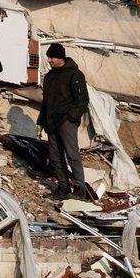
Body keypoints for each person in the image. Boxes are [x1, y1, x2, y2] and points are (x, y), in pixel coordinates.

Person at [37, 43, 90, 199]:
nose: (49, 60)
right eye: (48, 57)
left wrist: (71, 117)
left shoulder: (75, 75)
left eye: (51, 57)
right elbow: (45, 102)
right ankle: (63, 187)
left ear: (60, 58)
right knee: (55, 156)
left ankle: (79, 189)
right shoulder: (49, 76)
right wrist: (41, 121)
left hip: (66, 121)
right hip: (51, 121)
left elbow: (82, 100)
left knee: (72, 155)